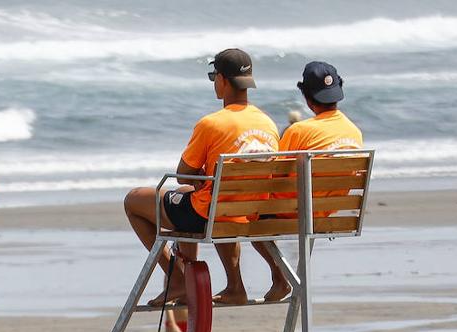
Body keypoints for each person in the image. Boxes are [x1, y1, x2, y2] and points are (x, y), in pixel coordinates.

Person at [123, 48, 278, 306]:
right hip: (247, 211)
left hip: (207, 215)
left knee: (134, 200)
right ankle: (235, 286)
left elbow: (184, 173)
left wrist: (200, 177)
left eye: (213, 76)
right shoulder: (268, 123)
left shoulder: (212, 123)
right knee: (211, 199)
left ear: (223, 80)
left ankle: (177, 280)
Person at [254, 61, 364, 302]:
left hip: (294, 213)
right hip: (327, 212)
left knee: (245, 211)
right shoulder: (354, 131)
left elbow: (273, 175)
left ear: (306, 97)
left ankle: (278, 275)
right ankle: (282, 278)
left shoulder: (299, 131)